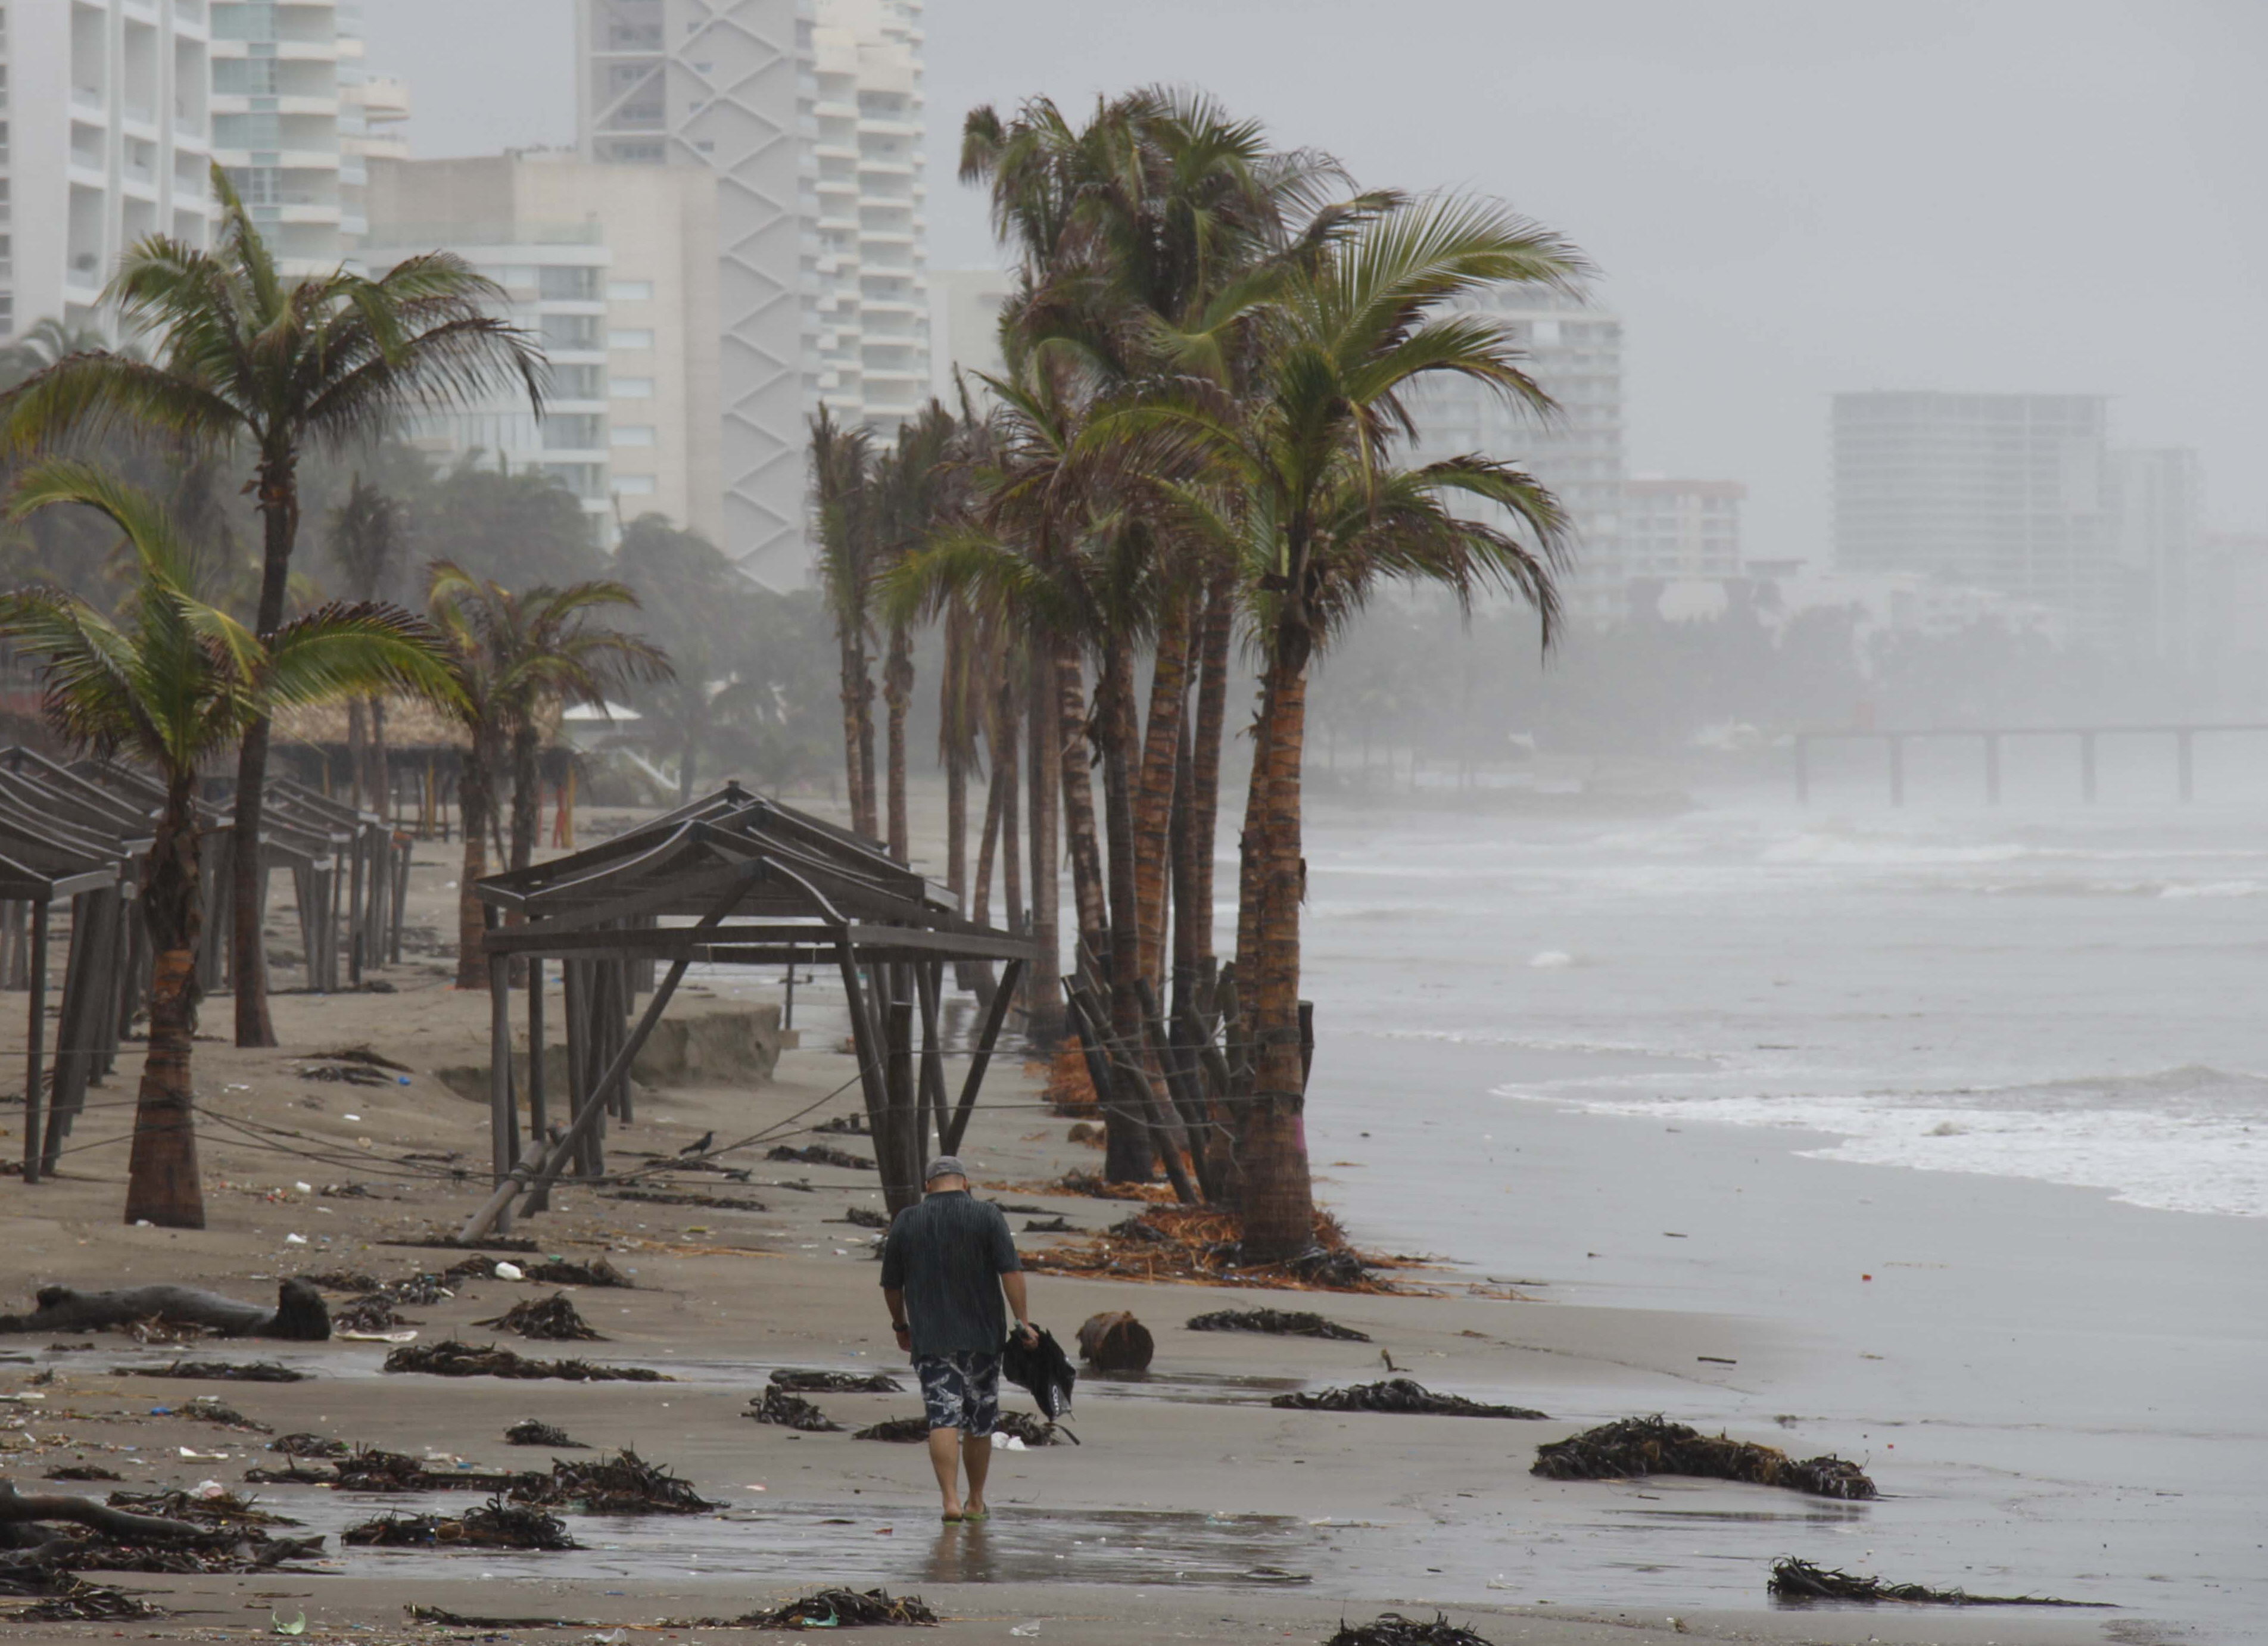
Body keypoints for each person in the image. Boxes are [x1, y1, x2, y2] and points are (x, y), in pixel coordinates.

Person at [878, 1155, 1038, 1523]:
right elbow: (1010, 1272)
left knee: (943, 1416)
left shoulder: (907, 1220)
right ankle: (976, 1500)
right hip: (983, 1336)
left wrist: (900, 1326)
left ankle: (950, 1501)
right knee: (980, 1420)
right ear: (965, 1183)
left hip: (932, 1337)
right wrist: (1022, 1322)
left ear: (928, 1186)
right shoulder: (987, 1216)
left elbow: (891, 1284)